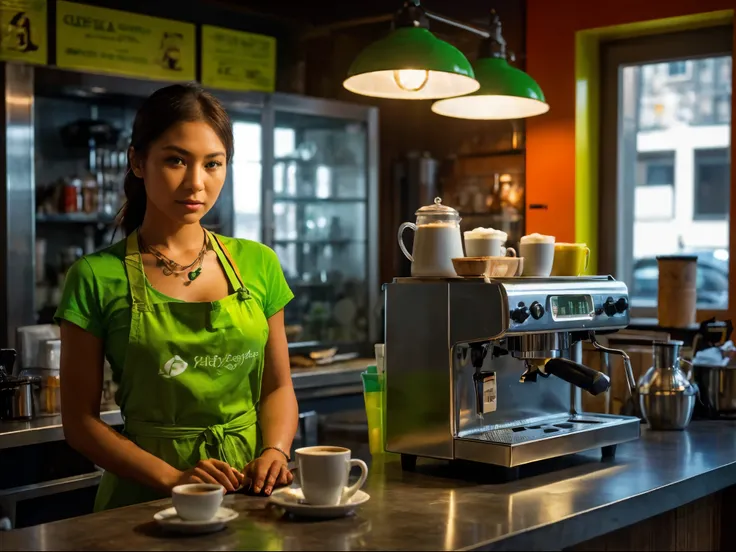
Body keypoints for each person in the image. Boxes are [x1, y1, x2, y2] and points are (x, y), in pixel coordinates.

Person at [56, 83, 298, 511]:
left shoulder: (257, 263)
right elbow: (79, 423)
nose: (196, 183)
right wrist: (174, 479)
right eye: (175, 160)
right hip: (145, 501)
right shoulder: (94, 276)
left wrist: (275, 451)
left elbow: (277, 386)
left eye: (213, 164)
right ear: (137, 161)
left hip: (249, 493)